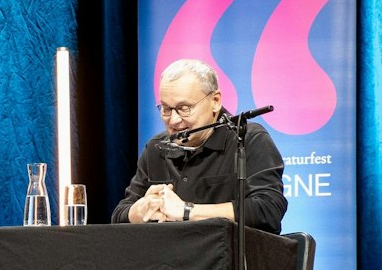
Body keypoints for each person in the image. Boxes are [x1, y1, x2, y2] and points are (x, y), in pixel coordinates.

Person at [114, 58, 286, 231]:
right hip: (169, 256)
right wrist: (140, 210)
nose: (173, 120)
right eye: (166, 109)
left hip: (229, 255)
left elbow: (267, 210)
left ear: (215, 101)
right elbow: (120, 215)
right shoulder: (156, 148)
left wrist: (186, 211)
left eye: (184, 108)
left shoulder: (248, 139)